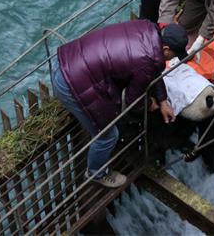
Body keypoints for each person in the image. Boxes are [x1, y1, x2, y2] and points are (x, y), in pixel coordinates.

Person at [49, 20, 188, 188]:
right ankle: (96, 173)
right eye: (174, 55)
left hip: (64, 60)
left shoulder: (146, 29)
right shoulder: (148, 60)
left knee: (107, 115)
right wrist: (148, 106)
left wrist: (162, 100)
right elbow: (133, 102)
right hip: (72, 84)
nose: (173, 58)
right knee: (108, 135)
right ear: (166, 50)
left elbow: (153, 70)